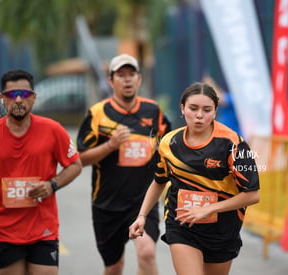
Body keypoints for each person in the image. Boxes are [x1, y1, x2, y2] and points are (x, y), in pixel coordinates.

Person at [0, 69, 82, 275]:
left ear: (33, 97)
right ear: (2, 99)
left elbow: (75, 165)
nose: (18, 100)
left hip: (43, 229)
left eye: (24, 95)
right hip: (2, 231)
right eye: (11, 95)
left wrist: (52, 185)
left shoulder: (52, 130)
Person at [129, 82, 260, 275]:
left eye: (207, 110)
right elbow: (159, 181)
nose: (199, 115)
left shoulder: (233, 144)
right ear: (182, 109)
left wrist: (208, 209)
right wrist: (141, 216)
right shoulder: (168, 143)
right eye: (193, 108)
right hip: (181, 225)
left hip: (222, 230)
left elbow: (252, 195)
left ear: (215, 111)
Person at [76, 53, 170, 275]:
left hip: (142, 202)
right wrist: (111, 145)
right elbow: (79, 158)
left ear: (139, 79)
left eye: (131, 75)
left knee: (146, 252)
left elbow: (168, 147)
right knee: (114, 266)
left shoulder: (153, 111)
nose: (127, 80)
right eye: (121, 75)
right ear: (111, 81)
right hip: (107, 204)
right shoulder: (97, 114)